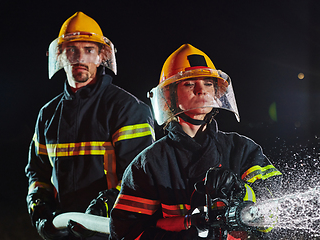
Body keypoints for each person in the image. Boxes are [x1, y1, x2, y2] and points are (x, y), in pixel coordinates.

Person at [109, 44, 282, 239]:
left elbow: (274, 211)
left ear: (217, 92)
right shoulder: (150, 163)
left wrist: (241, 191)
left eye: (208, 83)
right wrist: (188, 231)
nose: (201, 90)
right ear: (169, 95)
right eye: (189, 83)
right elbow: (126, 233)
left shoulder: (242, 150)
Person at [25, 12, 155, 240]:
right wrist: (39, 206)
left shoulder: (127, 108)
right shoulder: (48, 114)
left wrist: (104, 206)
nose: (80, 58)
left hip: (111, 230)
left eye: (89, 50)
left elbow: (141, 177)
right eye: (72, 50)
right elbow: (38, 172)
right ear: (60, 55)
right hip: (63, 230)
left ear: (101, 55)